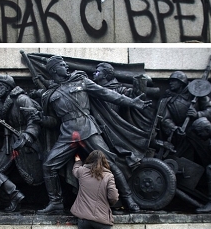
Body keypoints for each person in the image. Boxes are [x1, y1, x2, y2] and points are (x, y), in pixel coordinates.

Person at [34, 55, 152, 214]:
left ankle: (128, 199)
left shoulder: (81, 80)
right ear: (54, 69)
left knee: (108, 163)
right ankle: (56, 202)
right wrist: (42, 120)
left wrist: (131, 102)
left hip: (87, 129)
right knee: (49, 165)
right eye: (62, 65)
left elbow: (106, 93)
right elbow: (54, 122)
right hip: (68, 134)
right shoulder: (49, 94)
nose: (66, 66)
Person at [71, 151, 119, 229]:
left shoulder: (81, 172)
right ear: (104, 162)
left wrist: (77, 161)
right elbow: (113, 197)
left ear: (89, 160)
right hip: (102, 220)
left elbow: (75, 170)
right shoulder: (109, 177)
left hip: (83, 219)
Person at [157, 70, 211, 164]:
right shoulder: (168, 99)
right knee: (184, 162)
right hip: (182, 136)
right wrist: (174, 128)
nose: (170, 83)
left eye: (174, 80)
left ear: (182, 82)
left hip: (200, 134)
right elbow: (166, 118)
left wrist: (198, 114)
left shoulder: (196, 94)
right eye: (170, 80)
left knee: (208, 159)